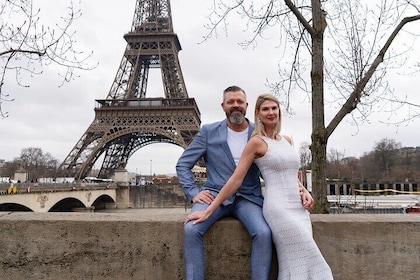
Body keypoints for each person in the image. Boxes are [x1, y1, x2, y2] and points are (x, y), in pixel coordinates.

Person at [185, 93, 334, 280]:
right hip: (277, 208)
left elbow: (288, 172)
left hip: (295, 207)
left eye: (274, 108)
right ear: (257, 113)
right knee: (313, 259)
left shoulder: (287, 140)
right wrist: (203, 206)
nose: (271, 112)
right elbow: (235, 180)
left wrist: (304, 190)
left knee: (294, 262)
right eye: (266, 109)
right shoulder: (255, 141)